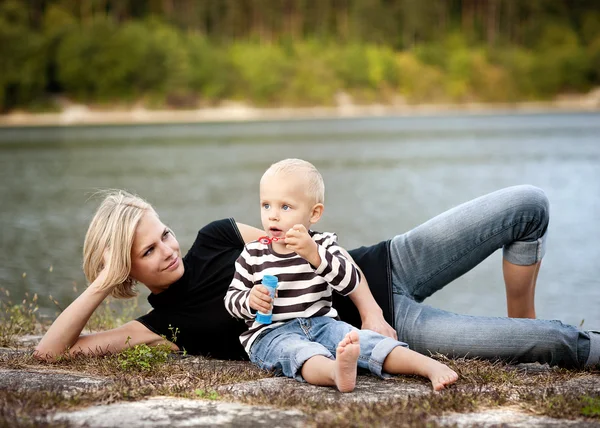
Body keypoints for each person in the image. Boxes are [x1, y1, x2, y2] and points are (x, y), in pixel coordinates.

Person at [34, 176, 600, 370]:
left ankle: (520, 315)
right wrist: (103, 282)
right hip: (398, 328)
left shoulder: (215, 236)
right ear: (125, 270)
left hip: (384, 263)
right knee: (558, 342)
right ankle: (539, 333)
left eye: (162, 234)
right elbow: (51, 355)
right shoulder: (163, 327)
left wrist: (371, 306)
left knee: (529, 204)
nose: (166, 249)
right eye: (146, 252)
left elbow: (311, 241)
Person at [224, 159, 458, 392]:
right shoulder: (253, 252)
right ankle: (336, 372)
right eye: (266, 205)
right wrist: (250, 300)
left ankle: (428, 366)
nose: (273, 215)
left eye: (285, 207)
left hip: (323, 324)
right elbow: (231, 300)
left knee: (363, 340)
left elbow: (349, 282)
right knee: (296, 352)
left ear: (314, 213)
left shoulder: (323, 244)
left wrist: (315, 256)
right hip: (271, 333)